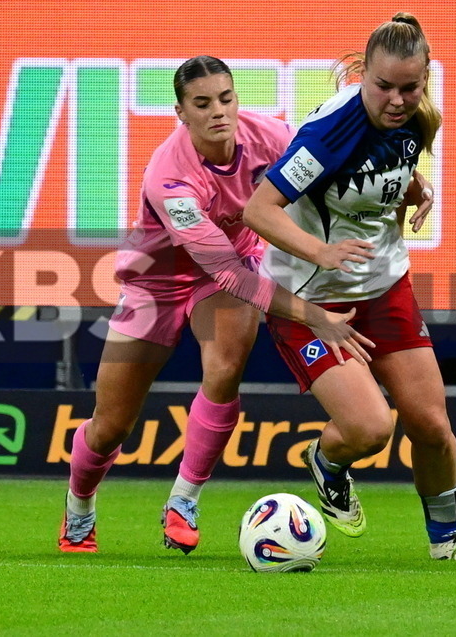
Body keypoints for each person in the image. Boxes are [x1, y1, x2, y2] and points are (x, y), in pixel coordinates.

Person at [60, 56, 374, 554]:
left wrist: (412, 183)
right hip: (155, 283)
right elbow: (222, 268)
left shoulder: (269, 135)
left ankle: (184, 500)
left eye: (225, 99)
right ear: (180, 112)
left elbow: (330, 169)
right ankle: (79, 507)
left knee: (226, 365)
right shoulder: (170, 179)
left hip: (229, 271)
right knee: (111, 424)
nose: (218, 112)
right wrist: (313, 315)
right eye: (202, 104)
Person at [244, 13, 456, 562]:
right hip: (310, 301)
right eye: (383, 86)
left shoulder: (417, 116)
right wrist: (321, 252)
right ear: (366, 77)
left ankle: (446, 540)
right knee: (369, 429)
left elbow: (386, 167)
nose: (397, 99)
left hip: (385, 289)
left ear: (425, 77)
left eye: (411, 87)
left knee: (431, 425)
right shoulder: (329, 133)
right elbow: (257, 209)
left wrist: (414, 187)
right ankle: (328, 461)